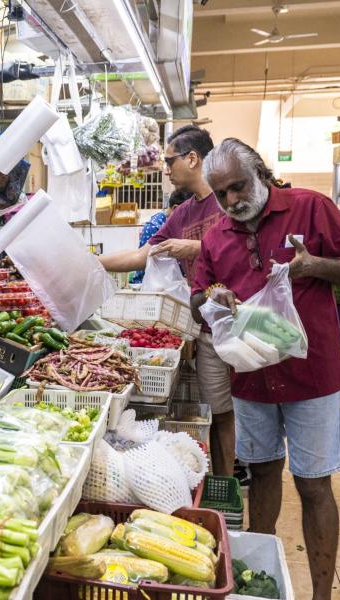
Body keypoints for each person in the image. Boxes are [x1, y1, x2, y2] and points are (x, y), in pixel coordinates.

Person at [189, 138, 340, 600]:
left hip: (310, 376)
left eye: (237, 187)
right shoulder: (216, 237)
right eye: (221, 193)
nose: (230, 201)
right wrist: (213, 298)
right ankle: (259, 571)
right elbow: (197, 296)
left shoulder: (312, 209)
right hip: (250, 377)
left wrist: (314, 266)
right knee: (264, 474)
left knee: (314, 483)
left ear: (262, 173)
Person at [99, 125, 236, 478]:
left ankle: (233, 476)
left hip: (238, 323)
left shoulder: (229, 202)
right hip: (203, 325)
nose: (166, 168)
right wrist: (90, 262)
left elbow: (243, 252)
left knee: (236, 412)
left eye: (170, 160)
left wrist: (195, 247)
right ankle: (220, 480)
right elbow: (144, 254)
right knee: (216, 410)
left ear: (193, 158)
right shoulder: (183, 213)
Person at [129, 188, 192, 284]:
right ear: (176, 209)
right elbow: (143, 261)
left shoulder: (175, 225)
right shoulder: (155, 227)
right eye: (189, 215)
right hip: (153, 287)